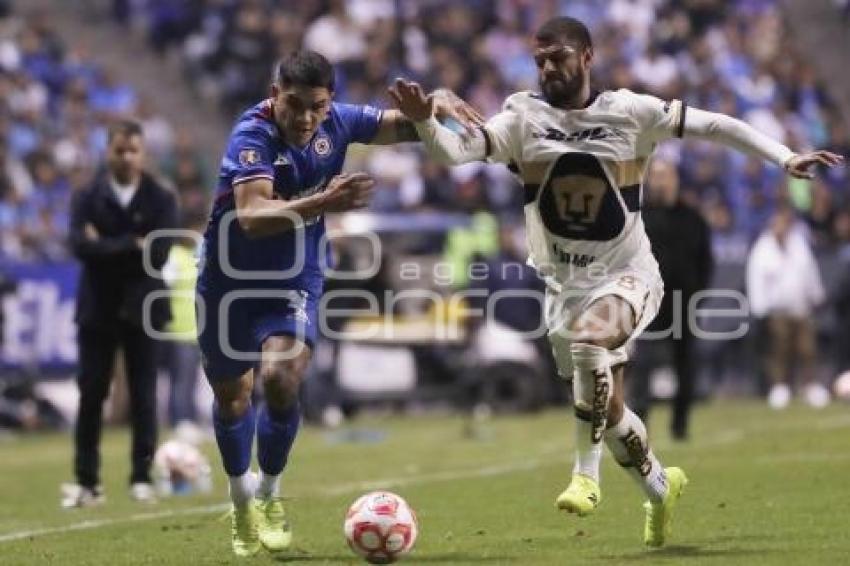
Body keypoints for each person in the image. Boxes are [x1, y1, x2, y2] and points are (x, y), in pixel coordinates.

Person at [390, 16, 844, 547]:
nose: (547, 68)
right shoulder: (521, 117)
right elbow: (456, 152)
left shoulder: (630, 112)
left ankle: (585, 475)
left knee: (590, 343)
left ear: (586, 56)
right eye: (538, 60)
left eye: (557, 56)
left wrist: (784, 156)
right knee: (609, 410)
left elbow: (716, 125)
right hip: (562, 287)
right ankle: (658, 488)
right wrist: (425, 123)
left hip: (628, 274)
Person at [196, 50, 481, 556]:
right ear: (274, 93)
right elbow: (252, 216)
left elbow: (409, 127)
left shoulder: (340, 123)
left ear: (330, 102)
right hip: (229, 282)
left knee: (282, 379)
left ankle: (270, 493)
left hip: (293, 277)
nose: (306, 117)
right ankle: (241, 500)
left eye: (317, 106)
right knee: (232, 397)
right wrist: (323, 203)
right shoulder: (252, 134)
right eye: (294, 104)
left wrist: (433, 106)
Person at [64, 119, 178, 507]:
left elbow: (161, 253)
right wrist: (133, 244)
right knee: (91, 393)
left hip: (143, 307)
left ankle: (141, 476)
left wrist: (108, 245)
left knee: (144, 395)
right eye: (120, 150)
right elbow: (79, 246)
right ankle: (86, 481)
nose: (128, 157)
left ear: (143, 153)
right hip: (98, 308)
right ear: (107, 151)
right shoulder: (87, 195)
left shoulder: (161, 197)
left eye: (134, 150)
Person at [630, 159, 713, 440]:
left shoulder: (693, 218)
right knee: (642, 365)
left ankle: (680, 425)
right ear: (648, 180)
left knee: (685, 365)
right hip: (648, 304)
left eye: (666, 175)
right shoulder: (638, 219)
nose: (661, 181)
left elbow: (705, 261)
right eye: (656, 176)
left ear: (675, 179)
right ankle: (638, 427)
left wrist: (697, 295)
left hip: (683, 302)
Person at [746, 206, 828, 409]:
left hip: (800, 307)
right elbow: (755, 279)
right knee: (779, 350)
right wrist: (759, 308)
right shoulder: (762, 249)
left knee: (807, 349)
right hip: (777, 310)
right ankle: (780, 387)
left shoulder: (799, 244)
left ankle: (810, 386)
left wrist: (816, 295)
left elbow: (810, 271)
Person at [160, 211, 205, 426]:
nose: (198, 234)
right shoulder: (174, 256)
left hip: (197, 330)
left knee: (192, 379)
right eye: (194, 229)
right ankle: (180, 419)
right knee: (181, 378)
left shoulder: (197, 255)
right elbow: (163, 289)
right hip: (178, 329)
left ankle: (189, 417)